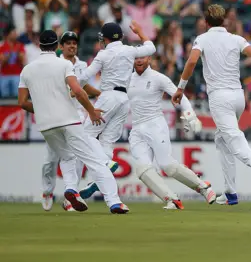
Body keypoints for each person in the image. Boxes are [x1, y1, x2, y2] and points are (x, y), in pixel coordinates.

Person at [172, 4, 251, 205]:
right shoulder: (236, 38)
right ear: (224, 21)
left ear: (206, 22)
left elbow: (191, 62)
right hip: (238, 97)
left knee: (236, 143)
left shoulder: (202, 38)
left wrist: (180, 88)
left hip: (220, 98)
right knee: (222, 140)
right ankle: (230, 193)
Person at [17, 30, 129, 214]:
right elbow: (78, 91)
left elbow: (22, 102)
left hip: (46, 125)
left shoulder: (27, 69)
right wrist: (92, 111)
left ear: (40, 46)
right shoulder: (63, 64)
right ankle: (114, 202)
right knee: (94, 162)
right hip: (69, 120)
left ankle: (71, 189)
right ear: (56, 46)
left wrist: (45, 110)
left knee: (67, 157)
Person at [76, 20, 156, 199]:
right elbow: (151, 48)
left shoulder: (103, 54)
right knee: (106, 141)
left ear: (104, 38)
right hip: (123, 100)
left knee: (85, 135)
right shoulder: (129, 50)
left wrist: (72, 88)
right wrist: (140, 32)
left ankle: (105, 163)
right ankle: (99, 178)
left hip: (108, 97)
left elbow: (86, 76)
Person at [128, 55, 215, 209]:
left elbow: (180, 96)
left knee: (166, 165)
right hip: (136, 129)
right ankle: (172, 200)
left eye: (142, 57)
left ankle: (203, 187)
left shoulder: (158, 78)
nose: (139, 61)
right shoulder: (127, 79)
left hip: (155, 125)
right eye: (136, 58)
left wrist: (191, 116)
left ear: (149, 59)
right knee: (142, 169)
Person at [41, 31, 110, 212]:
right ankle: (48, 191)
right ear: (60, 46)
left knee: (76, 155)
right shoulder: (55, 64)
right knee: (50, 159)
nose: (72, 46)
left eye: (74, 43)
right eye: (68, 43)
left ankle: (72, 195)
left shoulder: (80, 64)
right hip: (56, 114)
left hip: (75, 114)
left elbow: (83, 86)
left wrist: (101, 94)